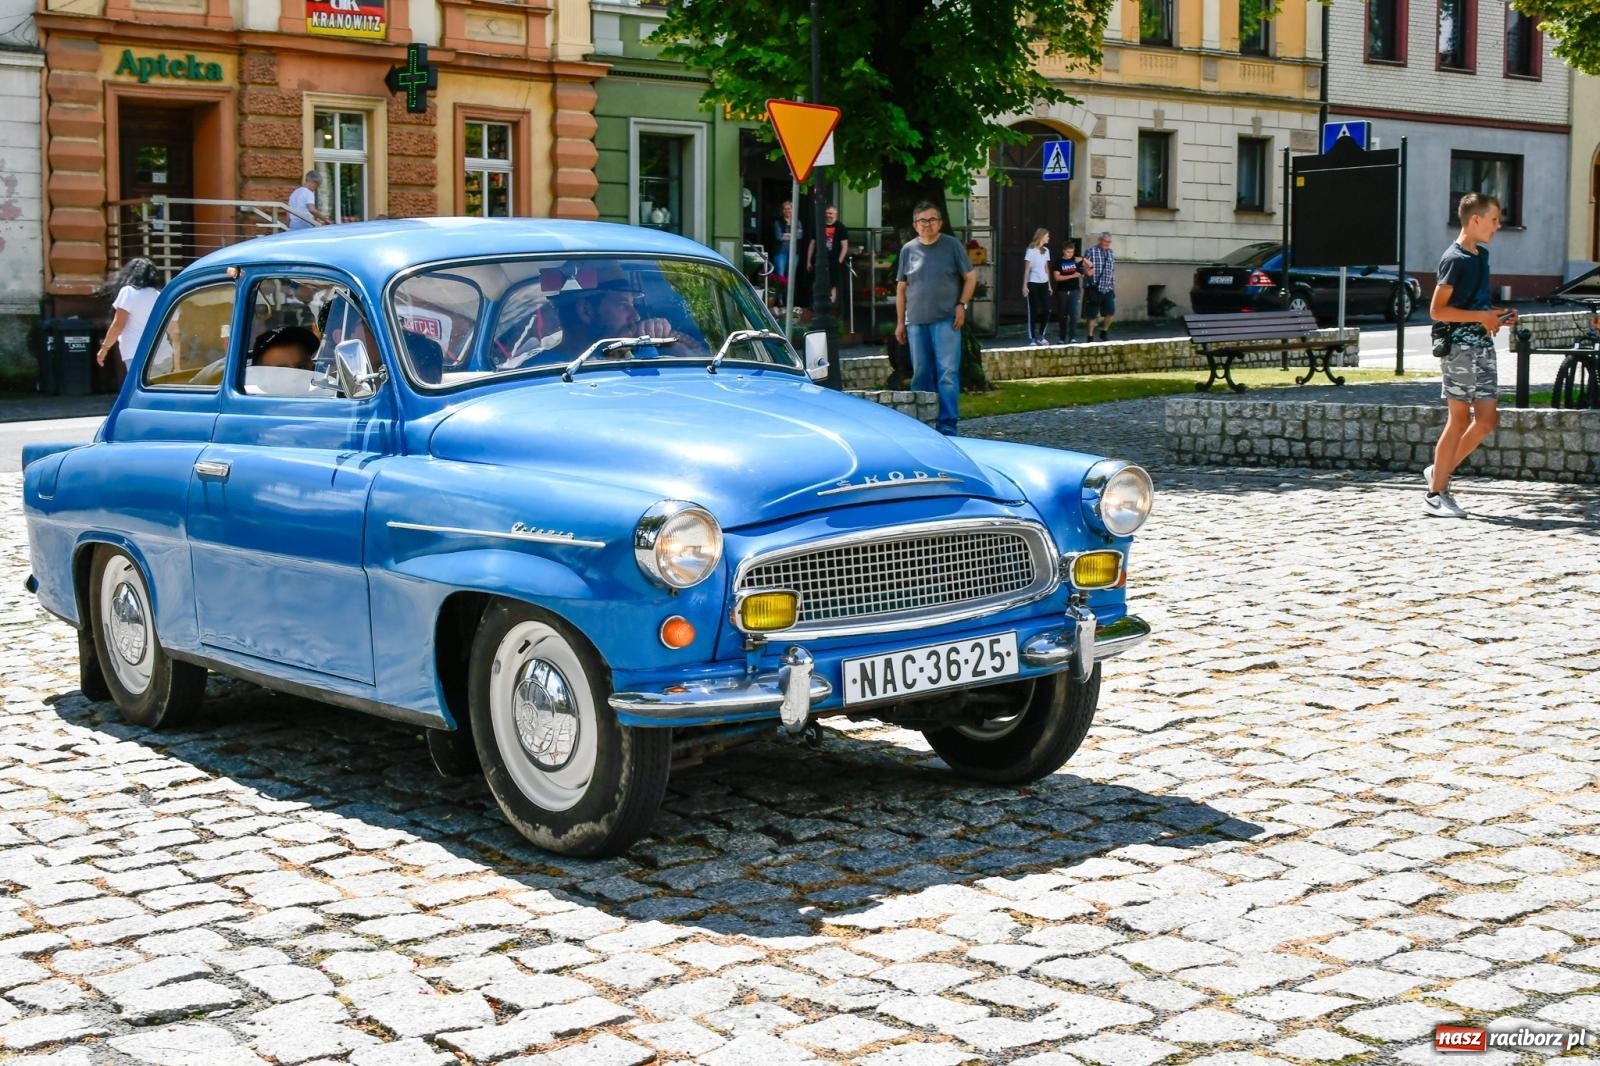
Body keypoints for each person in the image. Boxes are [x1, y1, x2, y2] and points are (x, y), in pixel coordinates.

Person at [1424, 192, 1516, 518]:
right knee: (1460, 419)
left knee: (1487, 420)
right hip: (1459, 349)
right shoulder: (1454, 259)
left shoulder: (1481, 256)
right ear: (1475, 219)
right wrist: (1481, 317)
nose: (1498, 224)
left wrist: (1497, 314)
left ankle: (1439, 471)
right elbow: (1438, 310)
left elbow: (1473, 306)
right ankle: (1436, 494)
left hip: (1483, 347)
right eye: (1494, 219)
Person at [895, 202, 977, 436]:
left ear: (940, 223)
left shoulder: (951, 246)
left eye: (932, 220)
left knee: (947, 373)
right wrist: (901, 322)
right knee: (921, 373)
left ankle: (948, 426)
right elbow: (901, 288)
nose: (927, 225)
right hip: (916, 322)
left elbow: (970, 278)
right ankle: (924, 425)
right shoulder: (908, 250)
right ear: (915, 225)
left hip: (946, 320)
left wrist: (962, 305)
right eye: (923, 220)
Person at [95, 258, 163, 384]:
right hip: (163, 353)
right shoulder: (159, 295)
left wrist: (104, 348)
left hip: (136, 352)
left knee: (139, 392)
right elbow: (173, 330)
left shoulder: (128, 292)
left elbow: (118, 325)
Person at [805, 204, 851, 305]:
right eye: (826, 213)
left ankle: (830, 307)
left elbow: (845, 246)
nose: (828, 215)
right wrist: (808, 260)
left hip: (833, 260)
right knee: (816, 282)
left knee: (832, 285)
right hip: (818, 259)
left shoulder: (840, 227)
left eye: (830, 213)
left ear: (835, 213)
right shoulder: (819, 225)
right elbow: (812, 244)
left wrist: (839, 261)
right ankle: (816, 306)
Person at [1083, 231, 1117, 342]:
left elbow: (1111, 271)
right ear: (1100, 240)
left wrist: (1112, 287)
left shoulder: (1111, 253)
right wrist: (1086, 272)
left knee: (1110, 311)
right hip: (1093, 288)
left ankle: (1104, 332)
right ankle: (1090, 336)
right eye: (1105, 241)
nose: (1107, 243)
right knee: (1092, 315)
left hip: (1107, 288)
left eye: (1109, 242)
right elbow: (1081, 267)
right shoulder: (1091, 251)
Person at [1053, 239, 1089, 344]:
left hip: (1074, 290)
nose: (1070, 254)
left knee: (1073, 313)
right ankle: (1062, 337)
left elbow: (1087, 268)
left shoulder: (1076, 260)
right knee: (1062, 314)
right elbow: (1057, 277)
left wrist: (1083, 260)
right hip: (1062, 290)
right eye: (1068, 252)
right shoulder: (1059, 261)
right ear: (1064, 251)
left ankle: (1073, 337)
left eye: (1072, 252)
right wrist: (1072, 275)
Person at [1022, 228, 1053, 346]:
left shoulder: (1046, 251)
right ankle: (1032, 338)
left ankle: (1041, 335)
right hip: (1033, 283)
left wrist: (1049, 284)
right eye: (1047, 236)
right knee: (1033, 310)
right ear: (1041, 236)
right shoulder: (1030, 251)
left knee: (1047, 309)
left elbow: (1046, 268)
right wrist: (1024, 285)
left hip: (1044, 282)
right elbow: (1027, 269)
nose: (1048, 238)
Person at [250, 326, 319, 370]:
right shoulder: (241, 392)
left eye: (301, 367)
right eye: (281, 371)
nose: (294, 376)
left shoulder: (324, 392)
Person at [772, 201, 802, 283]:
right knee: (780, 276)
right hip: (780, 252)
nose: (787, 210)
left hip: (794, 253)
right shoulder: (777, 222)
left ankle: (788, 296)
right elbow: (778, 237)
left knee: (791, 276)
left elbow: (800, 236)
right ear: (782, 211)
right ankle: (780, 296)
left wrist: (785, 235)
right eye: (785, 209)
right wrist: (793, 234)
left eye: (789, 209)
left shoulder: (797, 222)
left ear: (793, 210)